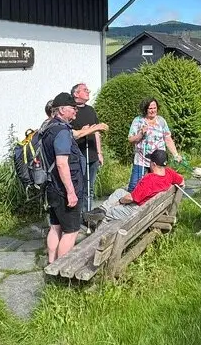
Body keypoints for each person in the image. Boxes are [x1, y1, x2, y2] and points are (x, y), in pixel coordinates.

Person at [83, 149, 183, 226]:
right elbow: (182, 181)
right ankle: (102, 209)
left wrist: (120, 201)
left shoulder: (149, 179)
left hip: (140, 211)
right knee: (119, 191)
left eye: (150, 161)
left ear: (154, 164)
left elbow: (131, 198)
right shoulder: (169, 172)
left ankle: (97, 234)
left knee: (110, 211)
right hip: (151, 207)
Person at [42, 92, 86, 264]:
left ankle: (51, 262)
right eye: (73, 108)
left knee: (55, 226)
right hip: (64, 189)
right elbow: (61, 163)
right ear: (61, 110)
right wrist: (71, 192)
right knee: (71, 230)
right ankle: (61, 270)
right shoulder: (61, 132)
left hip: (52, 187)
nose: (76, 111)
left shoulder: (47, 127)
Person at [126, 97, 181, 192]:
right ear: (145, 109)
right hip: (141, 160)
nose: (153, 110)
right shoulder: (138, 121)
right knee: (134, 187)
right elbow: (130, 139)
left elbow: (168, 138)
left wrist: (176, 154)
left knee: (157, 187)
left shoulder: (161, 121)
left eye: (154, 108)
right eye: (150, 108)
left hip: (157, 162)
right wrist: (140, 134)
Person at [69, 83, 108, 208]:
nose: (88, 92)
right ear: (76, 94)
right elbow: (71, 134)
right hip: (78, 154)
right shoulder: (71, 111)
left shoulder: (90, 110)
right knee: (79, 187)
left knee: (89, 187)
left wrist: (99, 153)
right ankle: (78, 215)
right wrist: (84, 130)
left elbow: (96, 132)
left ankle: (88, 214)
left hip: (92, 154)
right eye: (85, 90)